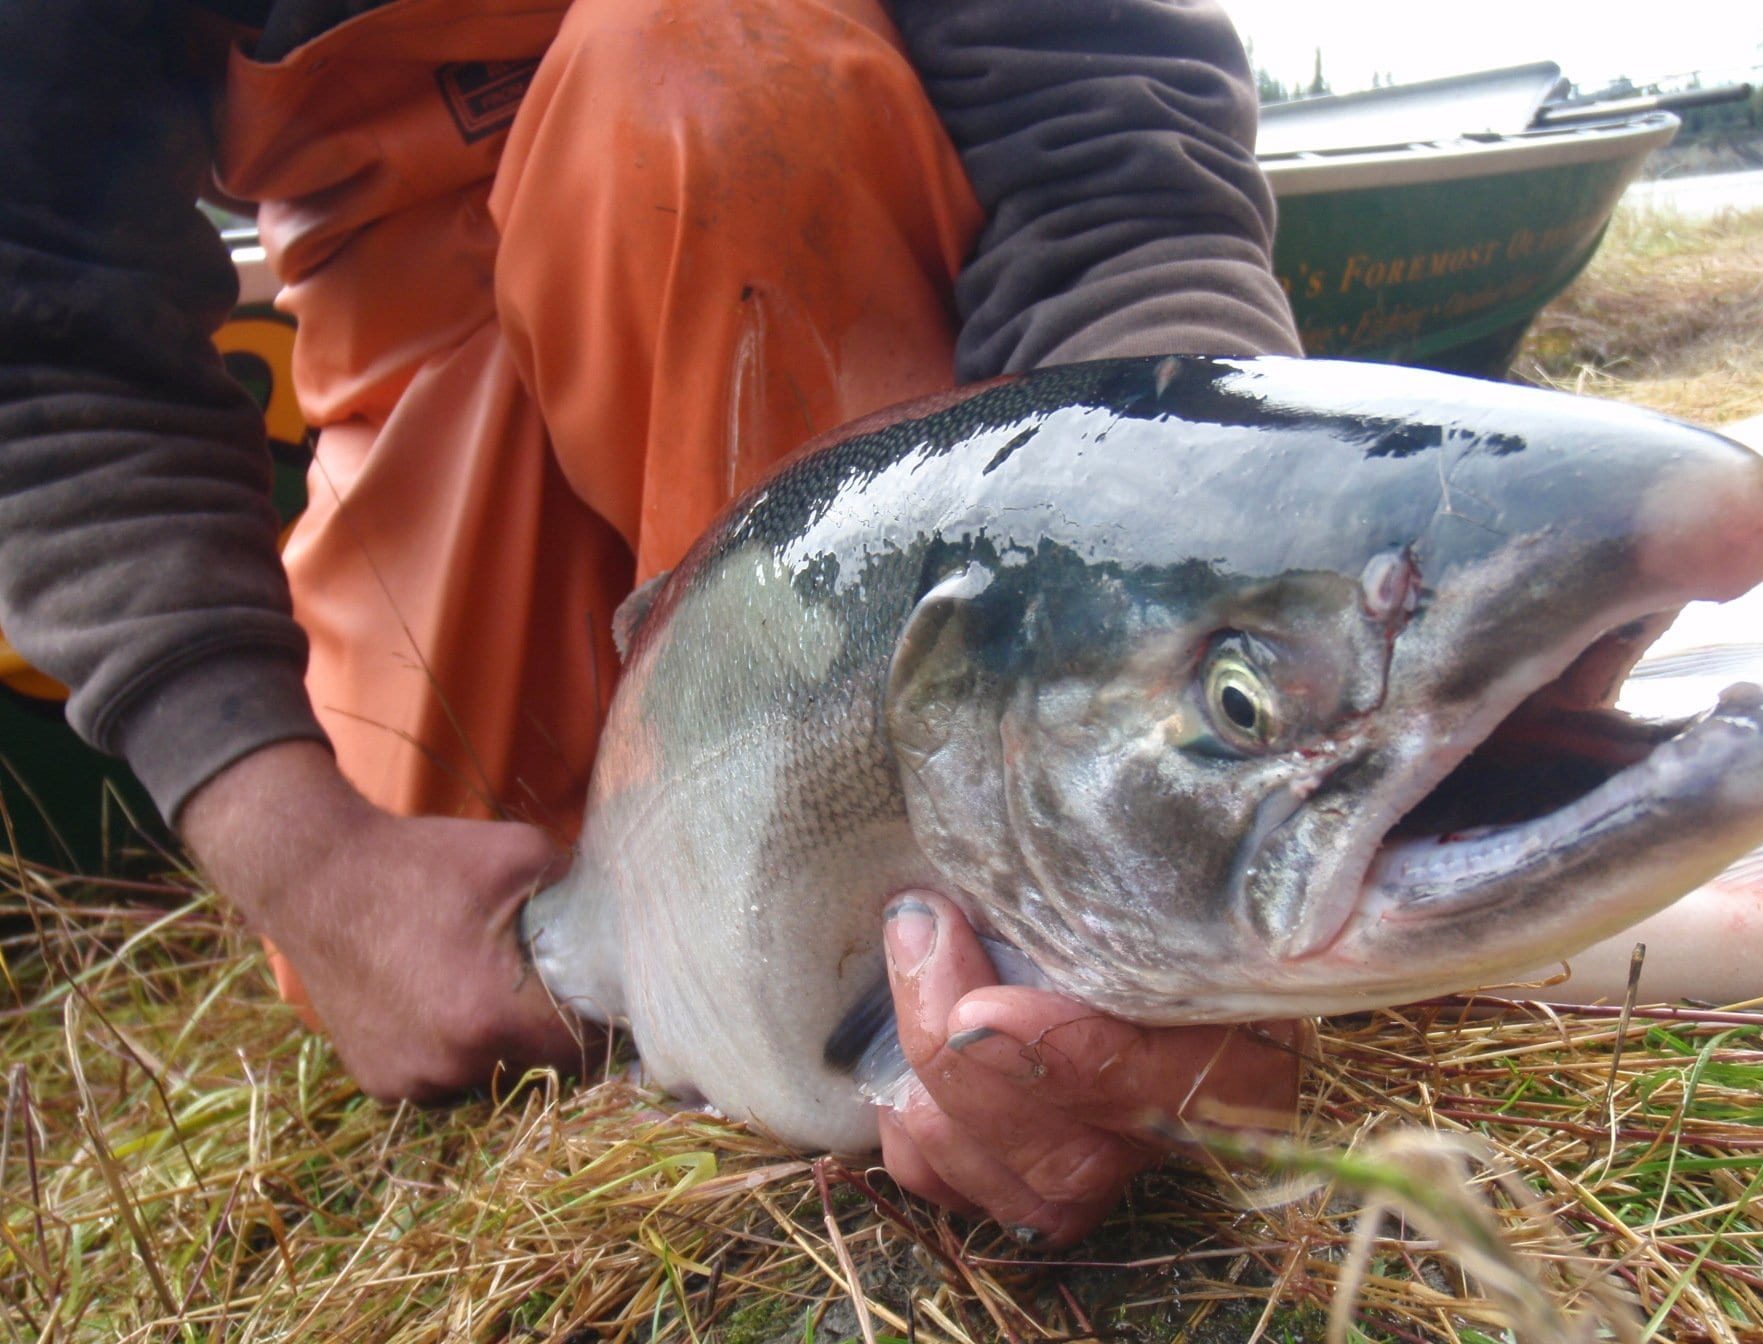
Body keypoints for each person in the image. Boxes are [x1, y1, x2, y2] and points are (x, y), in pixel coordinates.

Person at [0, 0, 1304, 1246]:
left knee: (695, 64)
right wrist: (307, 861)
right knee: (452, 990)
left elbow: (1106, 152)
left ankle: (925, 917)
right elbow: (42, 327)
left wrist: (1205, 600)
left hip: (786, 186)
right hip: (401, 325)